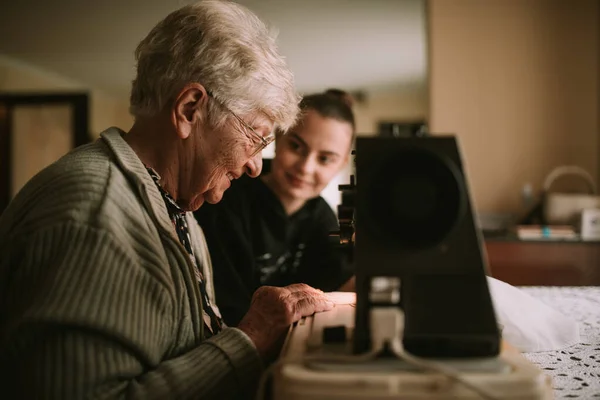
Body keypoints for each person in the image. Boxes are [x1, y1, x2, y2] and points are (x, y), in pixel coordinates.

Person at [0, 2, 336, 398]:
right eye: (256, 137)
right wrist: (252, 336)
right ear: (189, 109)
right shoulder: (97, 219)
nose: (254, 167)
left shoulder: (178, 206)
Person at [194, 90, 356, 326]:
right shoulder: (227, 197)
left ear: (341, 163)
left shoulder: (322, 217)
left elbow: (335, 285)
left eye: (325, 159)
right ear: (278, 137)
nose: (305, 167)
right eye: (296, 146)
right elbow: (224, 305)